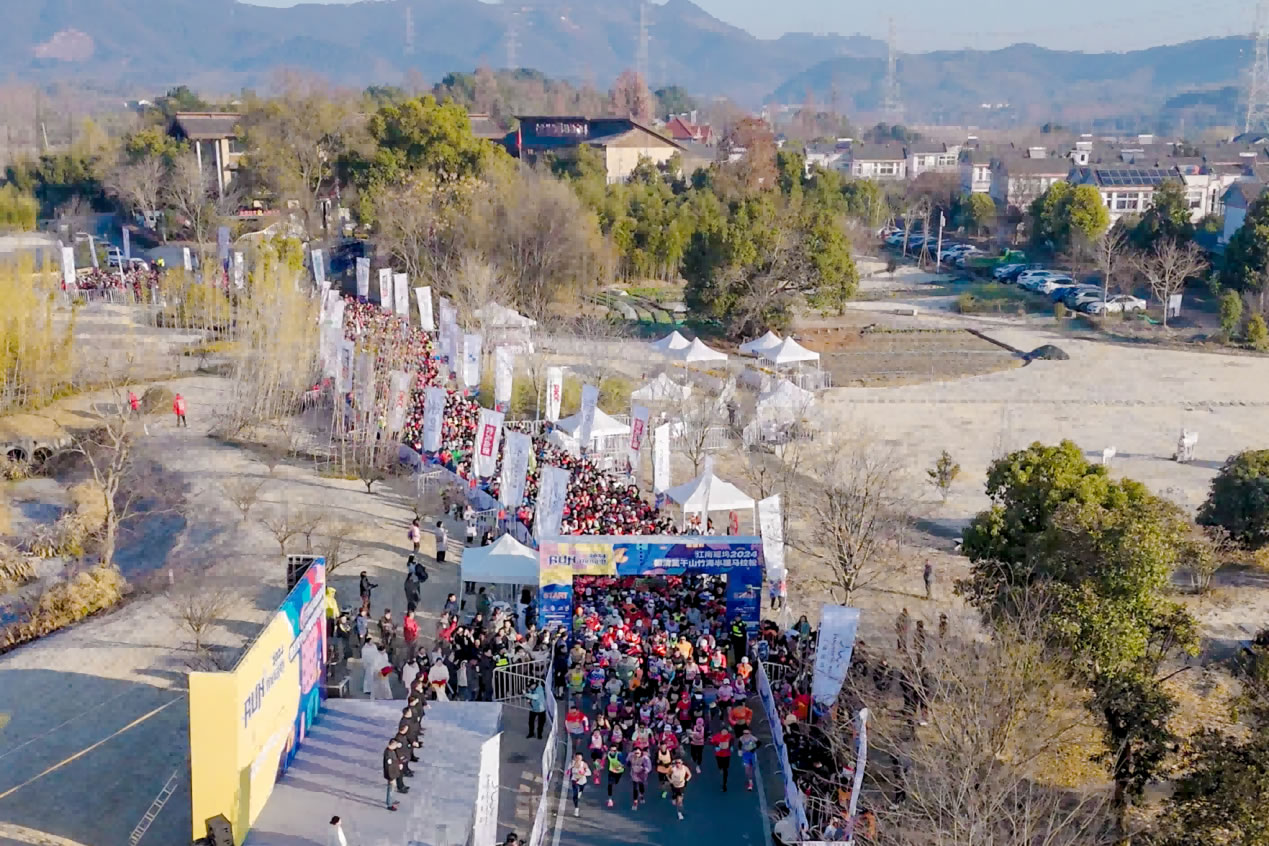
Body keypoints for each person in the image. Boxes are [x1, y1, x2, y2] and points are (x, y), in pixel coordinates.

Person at [565, 753, 591, 817]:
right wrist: (568, 772)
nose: (578, 759)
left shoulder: (584, 764)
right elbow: (567, 771)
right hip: (575, 780)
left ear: (581, 758)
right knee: (575, 795)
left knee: (581, 789)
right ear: (575, 758)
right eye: (577, 758)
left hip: (582, 781)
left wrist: (583, 773)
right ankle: (576, 809)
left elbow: (589, 773)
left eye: (580, 758)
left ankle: (580, 792)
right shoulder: (572, 763)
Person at [383, 739, 405, 810]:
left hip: (393, 774)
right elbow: (389, 767)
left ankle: (391, 800)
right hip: (391, 775)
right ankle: (389, 804)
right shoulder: (388, 754)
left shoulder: (391, 751)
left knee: (393, 787)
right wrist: (391, 777)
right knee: (391, 789)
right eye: (395, 745)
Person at [710, 725, 733, 792]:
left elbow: (732, 741)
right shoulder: (717, 736)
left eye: (726, 731)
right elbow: (711, 742)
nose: (724, 732)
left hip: (727, 755)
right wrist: (716, 747)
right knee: (720, 766)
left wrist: (731, 746)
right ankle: (720, 768)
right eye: (723, 731)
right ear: (721, 731)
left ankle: (724, 784)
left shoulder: (729, 736)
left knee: (725, 769)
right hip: (719, 755)